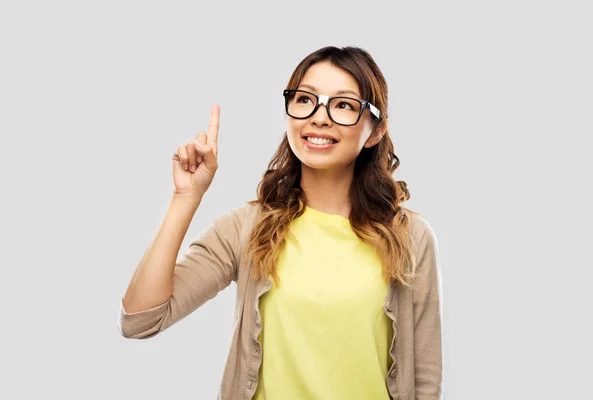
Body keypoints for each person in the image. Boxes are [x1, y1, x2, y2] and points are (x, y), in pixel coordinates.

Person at [118, 45, 443, 400]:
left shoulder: (410, 237)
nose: (319, 117)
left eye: (344, 105)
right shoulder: (247, 227)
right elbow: (140, 319)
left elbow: (424, 378)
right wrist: (185, 198)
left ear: (376, 130)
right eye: (305, 99)